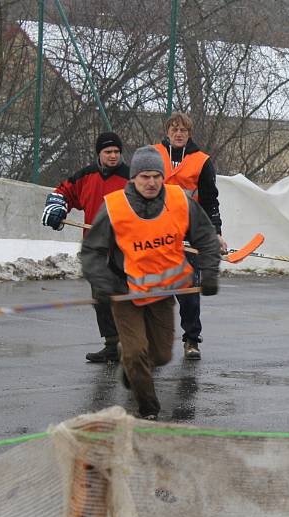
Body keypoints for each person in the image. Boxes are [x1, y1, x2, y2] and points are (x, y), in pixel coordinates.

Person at [81, 146, 221, 420]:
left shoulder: (179, 201)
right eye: (145, 176)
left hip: (161, 292)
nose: (151, 182)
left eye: (156, 176)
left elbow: (205, 238)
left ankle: (131, 368)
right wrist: (105, 285)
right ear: (133, 177)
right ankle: (148, 411)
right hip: (126, 293)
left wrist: (210, 273)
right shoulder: (115, 206)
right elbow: (92, 252)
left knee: (160, 356)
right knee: (136, 355)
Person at [41, 132, 130, 363]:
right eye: (108, 152)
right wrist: (58, 206)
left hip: (127, 247)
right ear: (99, 153)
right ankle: (112, 344)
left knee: (126, 297)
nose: (113, 156)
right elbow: (63, 192)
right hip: (96, 247)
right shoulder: (87, 176)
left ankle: (138, 345)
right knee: (101, 296)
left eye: (116, 152)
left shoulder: (133, 177)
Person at [153, 112, 227, 360]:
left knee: (188, 291)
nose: (178, 133)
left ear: (189, 133)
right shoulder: (153, 155)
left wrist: (215, 234)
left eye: (183, 130)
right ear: (167, 131)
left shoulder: (201, 161)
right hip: (156, 234)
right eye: (174, 129)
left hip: (188, 235)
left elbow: (210, 201)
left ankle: (192, 339)